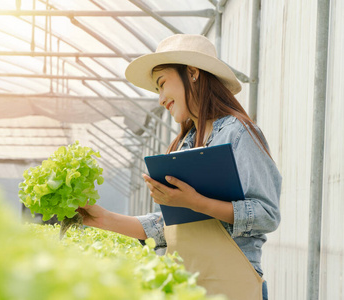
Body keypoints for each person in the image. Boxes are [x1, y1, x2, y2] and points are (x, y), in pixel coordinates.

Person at [77, 34, 281, 300]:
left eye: (162, 84)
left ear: (193, 73)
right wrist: (102, 218)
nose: (161, 99)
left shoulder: (237, 132)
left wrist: (196, 202)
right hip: (188, 285)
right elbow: (167, 228)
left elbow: (267, 214)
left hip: (233, 285)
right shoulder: (184, 145)